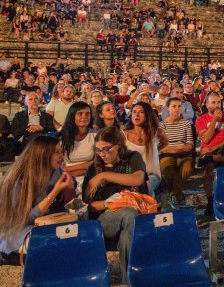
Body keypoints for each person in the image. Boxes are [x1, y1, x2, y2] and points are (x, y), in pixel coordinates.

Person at [82, 126, 146, 285]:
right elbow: (88, 205)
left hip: (134, 216)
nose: (102, 154)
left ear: (118, 145)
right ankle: (133, 280)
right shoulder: (94, 168)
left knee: (127, 235)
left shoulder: (132, 158)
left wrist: (105, 176)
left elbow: (137, 179)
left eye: (106, 149)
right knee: (129, 214)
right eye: (98, 150)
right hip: (105, 217)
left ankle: (127, 281)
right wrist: (106, 202)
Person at [0, 136, 75, 260]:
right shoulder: (16, 182)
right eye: (57, 152)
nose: (61, 156)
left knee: (72, 236)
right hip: (14, 232)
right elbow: (21, 220)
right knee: (53, 244)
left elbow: (65, 201)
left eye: (61, 151)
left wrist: (69, 188)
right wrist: (55, 191)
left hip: (41, 225)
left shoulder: (55, 172)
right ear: (43, 155)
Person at [122, 102, 167, 196]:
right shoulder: (123, 134)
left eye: (141, 112)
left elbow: (165, 142)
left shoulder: (156, 132)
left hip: (152, 175)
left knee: (144, 185)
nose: (136, 115)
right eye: (134, 112)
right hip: (130, 175)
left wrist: (154, 151)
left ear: (147, 115)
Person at [159, 97, 194, 207]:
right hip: (167, 155)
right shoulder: (162, 125)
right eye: (174, 106)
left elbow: (190, 144)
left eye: (179, 106)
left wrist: (173, 147)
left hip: (184, 155)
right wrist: (180, 146)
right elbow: (161, 147)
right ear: (168, 108)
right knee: (168, 171)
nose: (177, 109)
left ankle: (174, 195)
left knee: (187, 168)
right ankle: (178, 195)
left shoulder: (186, 124)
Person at [60, 101, 96, 185]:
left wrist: (72, 171)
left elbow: (95, 163)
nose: (84, 117)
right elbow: (57, 168)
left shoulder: (95, 135)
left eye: (87, 114)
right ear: (72, 116)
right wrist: (83, 166)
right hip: (65, 176)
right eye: (80, 114)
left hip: (89, 174)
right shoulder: (62, 137)